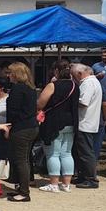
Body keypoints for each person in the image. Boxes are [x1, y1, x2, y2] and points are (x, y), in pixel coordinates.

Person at [37, 61, 78, 192]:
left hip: (54, 122)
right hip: (71, 122)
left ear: (56, 71)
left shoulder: (52, 85)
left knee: (53, 154)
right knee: (67, 153)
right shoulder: (75, 85)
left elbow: (40, 104)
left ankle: (54, 183)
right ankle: (66, 184)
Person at [5, 62, 38, 201]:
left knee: (21, 160)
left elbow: (13, 111)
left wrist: (8, 127)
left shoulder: (18, 89)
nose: (8, 76)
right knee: (25, 158)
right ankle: (22, 187)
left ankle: (24, 192)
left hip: (21, 128)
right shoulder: (30, 88)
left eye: (10, 73)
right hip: (32, 126)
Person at [71, 64, 103, 189]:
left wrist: (72, 100)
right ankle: (83, 175)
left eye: (74, 75)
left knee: (86, 152)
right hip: (88, 121)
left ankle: (91, 178)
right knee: (81, 151)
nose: (74, 78)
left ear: (79, 74)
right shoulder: (93, 82)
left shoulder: (88, 83)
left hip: (85, 122)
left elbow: (84, 102)